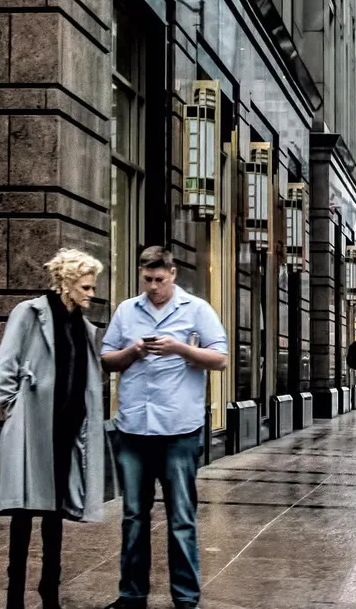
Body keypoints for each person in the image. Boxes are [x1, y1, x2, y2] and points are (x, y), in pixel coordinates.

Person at [101, 246, 229, 609]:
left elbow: (220, 358)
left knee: (181, 519)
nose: (153, 286)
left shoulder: (197, 310)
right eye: (147, 279)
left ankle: (186, 599)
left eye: (159, 279)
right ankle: (131, 596)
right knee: (134, 517)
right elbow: (108, 360)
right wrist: (135, 352)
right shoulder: (127, 310)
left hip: (179, 431)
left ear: (173, 273)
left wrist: (179, 349)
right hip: (134, 431)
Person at [0, 248, 106, 609]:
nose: (91, 293)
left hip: (67, 431)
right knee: (24, 513)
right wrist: (15, 410)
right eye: (86, 286)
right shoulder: (29, 313)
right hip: (33, 428)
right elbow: (6, 366)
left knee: (55, 515)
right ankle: (15, 595)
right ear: (67, 283)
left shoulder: (82, 327)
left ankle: (50, 589)